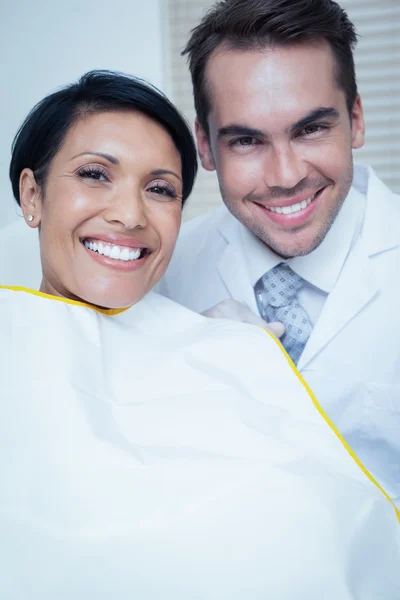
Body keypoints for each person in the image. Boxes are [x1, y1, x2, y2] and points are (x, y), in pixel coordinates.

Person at [0, 70, 399, 599]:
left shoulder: (222, 349)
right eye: (95, 175)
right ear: (32, 195)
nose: (128, 215)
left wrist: (229, 362)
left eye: (160, 189)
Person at [158, 0, 400, 500]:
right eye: (246, 140)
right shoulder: (164, 270)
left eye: (311, 128)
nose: (287, 176)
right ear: (204, 147)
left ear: (355, 119)